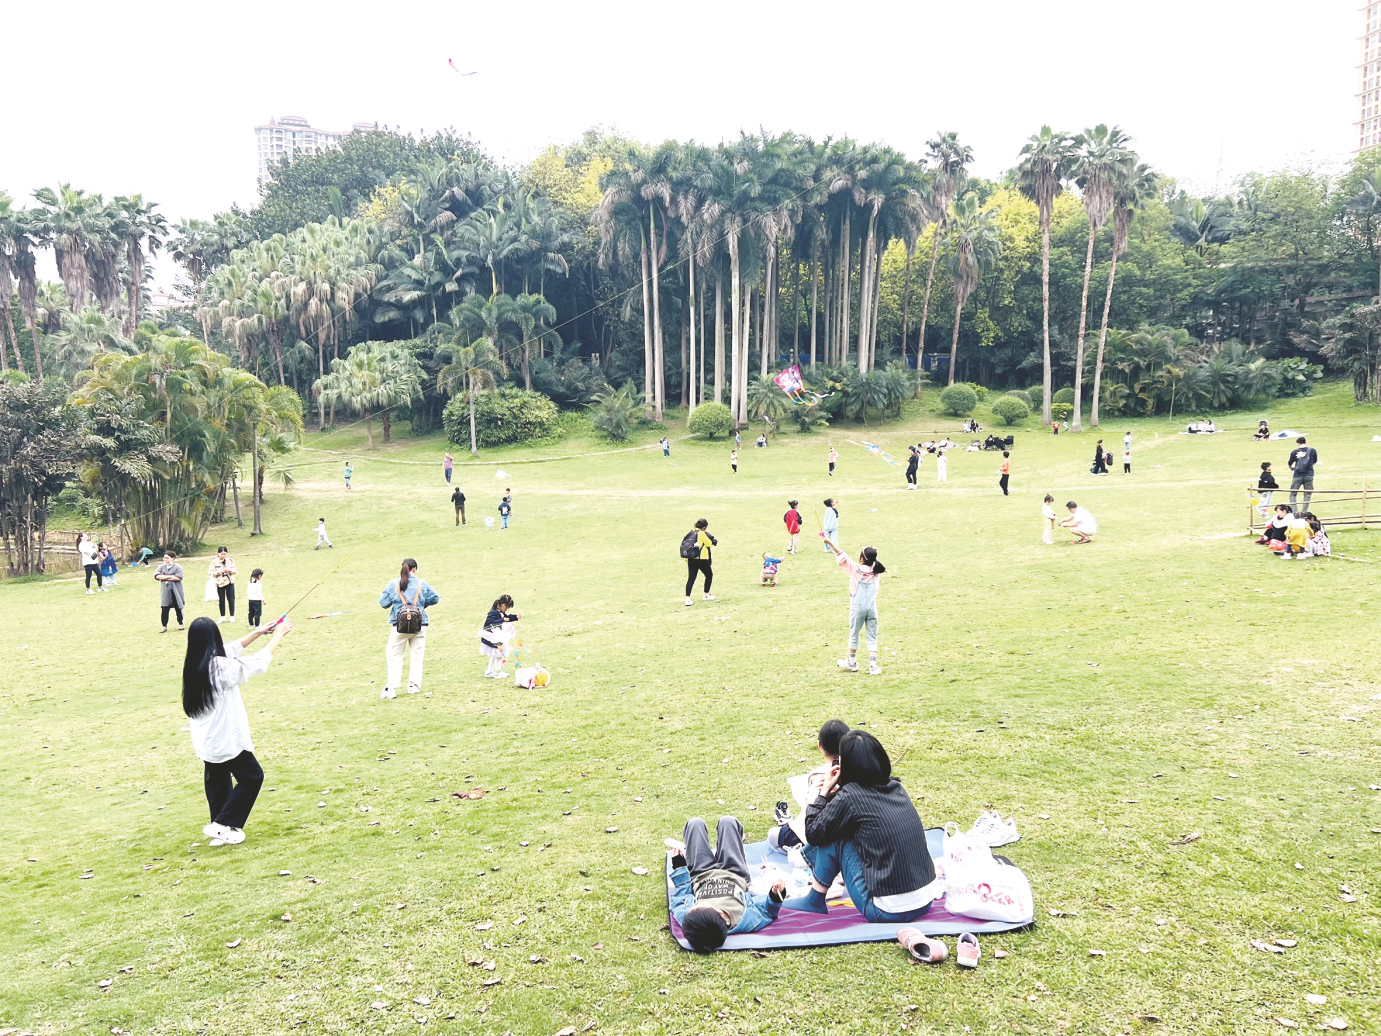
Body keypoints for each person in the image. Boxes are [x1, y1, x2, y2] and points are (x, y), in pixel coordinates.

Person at [781, 731, 942, 924]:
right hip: (925, 901)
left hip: (885, 910)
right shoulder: (897, 788)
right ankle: (815, 890)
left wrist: (823, 794)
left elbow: (814, 833)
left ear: (845, 765)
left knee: (835, 835)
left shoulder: (849, 796)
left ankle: (814, 899)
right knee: (836, 825)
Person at [182, 614, 293, 847]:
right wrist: (279, 636)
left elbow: (230, 649)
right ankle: (221, 825)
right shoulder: (219, 667)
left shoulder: (195, 661)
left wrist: (259, 632)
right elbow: (256, 664)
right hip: (225, 739)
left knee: (218, 783)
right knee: (252, 777)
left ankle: (221, 828)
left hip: (207, 740)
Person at [669, 815, 786, 953]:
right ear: (718, 911)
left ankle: (719, 842)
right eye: (697, 906)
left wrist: (679, 867)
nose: (692, 906)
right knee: (728, 821)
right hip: (734, 872)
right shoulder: (746, 919)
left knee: (695, 824)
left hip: (701, 873)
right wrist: (776, 895)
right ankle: (735, 837)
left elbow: (679, 900)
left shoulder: (691, 921)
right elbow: (768, 912)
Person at [823, 536, 885, 675]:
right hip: (871, 607)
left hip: (858, 607)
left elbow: (842, 556)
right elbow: (873, 555)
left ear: (862, 559)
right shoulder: (876, 568)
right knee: (872, 635)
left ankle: (851, 662)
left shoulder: (856, 569)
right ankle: (873, 666)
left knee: (854, 633)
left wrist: (830, 543)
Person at [378, 558, 439, 699]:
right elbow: (435, 598)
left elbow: (383, 603)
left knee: (394, 656)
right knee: (417, 656)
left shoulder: (394, 584)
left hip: (400, 626)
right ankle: (414, 686)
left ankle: (391, 688)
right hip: (420, 624)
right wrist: (421, 605)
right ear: (415, 570)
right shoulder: (422, 584)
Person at [479, 594, 520, 678]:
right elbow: (490, 622)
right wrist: (502, 620)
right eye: (507, 607)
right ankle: (498, 672)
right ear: (503, 605)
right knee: (499, 654)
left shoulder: (500, 612)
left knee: (495, 655)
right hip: (492, 637)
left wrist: (516, 617)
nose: (507, 610)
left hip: (495, 637)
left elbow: (507, 617)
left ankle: (489, 671)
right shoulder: (494, 612)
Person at [684, 518, 717, 606]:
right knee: (709, 575)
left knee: (691, 578)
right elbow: (708, 543)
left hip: (691, 558)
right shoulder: (701, 533)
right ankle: (706, 595)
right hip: (701, 559)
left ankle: (687, 598)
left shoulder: (691, 533)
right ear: (704, 527)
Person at [156, 551, 187, 632]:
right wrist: (170, 576)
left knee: (178, 607)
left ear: (172, 558)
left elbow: (178, 577)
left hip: (176, 590)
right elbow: (157, 576)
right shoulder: (161, 567)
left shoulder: (178, 567)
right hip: (166, 591)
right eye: (164, 558)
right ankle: (164, 626)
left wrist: (164, 577)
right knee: (164, 608)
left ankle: (180, 623)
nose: (165, 559)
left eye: (167, 558)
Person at [1288, 436, 1318, 511]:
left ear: (1298, 444)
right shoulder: (1312, 450)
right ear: (1305, 442)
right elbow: (1314, 461)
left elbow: (1290, 463)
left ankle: (1294, 511)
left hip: (1298, 475)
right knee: (1307, 494)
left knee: (1293, 493)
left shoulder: (1294, 452)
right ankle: (1304, 511)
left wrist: (1292, 468)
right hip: (1309, 474)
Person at [209, 546, 237, 625]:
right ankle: (222, 616)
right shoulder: (214, 562)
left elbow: (235, 570)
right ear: (218, 553)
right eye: (222, 554)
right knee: (221, 600)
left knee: (231, 599)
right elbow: (211, 572)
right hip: (220, 582)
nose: (223, 555)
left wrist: (230, 570)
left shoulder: (230, 560)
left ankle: (232, 616)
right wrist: (219, 572)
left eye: (225, 554)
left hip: (229, 581)